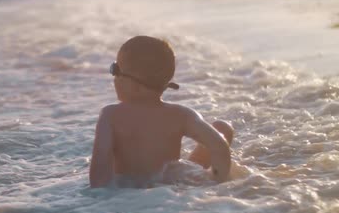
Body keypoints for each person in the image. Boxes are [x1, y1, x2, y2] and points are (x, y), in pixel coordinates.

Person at [89, 36, 234, 188]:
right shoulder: (182, 114)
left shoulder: (111, 115)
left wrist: (103, 196)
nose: (113, 77)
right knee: (222, 128)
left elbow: (100, 168)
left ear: (133, 83)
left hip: (132, 190)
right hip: (171, 185)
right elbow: (219, 145)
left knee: (220, 128)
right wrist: (215, 182)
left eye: (115, 69)